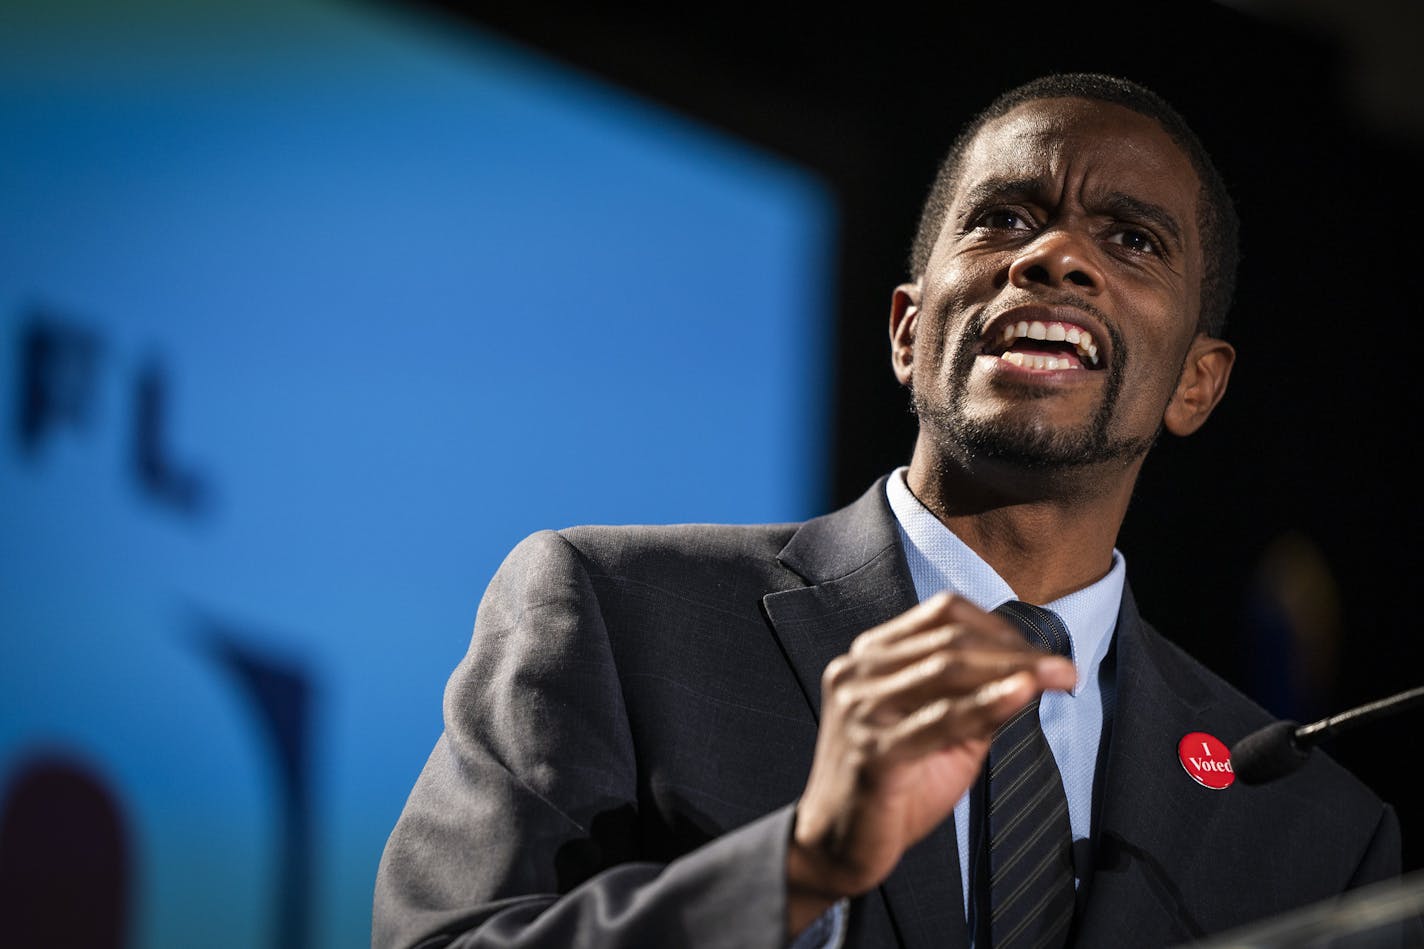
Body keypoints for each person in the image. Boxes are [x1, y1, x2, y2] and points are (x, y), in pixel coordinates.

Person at [373, 73, 1401, 948]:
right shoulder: (617, 610)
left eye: (1130, 240)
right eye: (1001, 218)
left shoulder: (1310, 826)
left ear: (1195, 384)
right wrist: (800, 863)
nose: (1051, 257)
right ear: (908, 331)